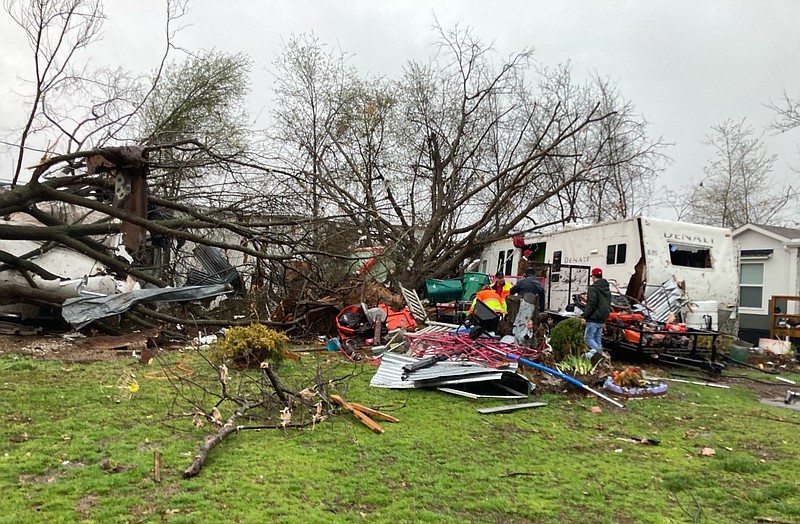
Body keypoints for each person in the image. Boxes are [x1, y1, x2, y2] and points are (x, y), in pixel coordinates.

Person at [581, 267, 612, 364]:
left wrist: (585, 316)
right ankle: (598, 360)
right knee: (597, 339)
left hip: (594, 318)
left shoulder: (593, 288)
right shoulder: (606, 288)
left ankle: (600, 353)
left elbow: (591, 304)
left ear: (593, 277)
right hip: (603, 318)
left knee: (588, 338)